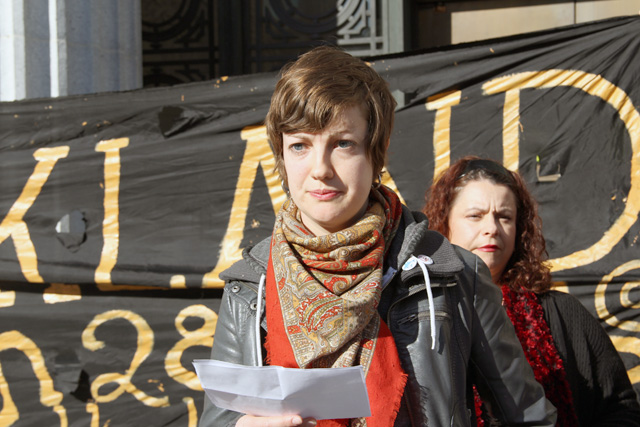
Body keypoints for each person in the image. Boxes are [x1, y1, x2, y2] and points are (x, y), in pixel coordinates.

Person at [198, 46, 557, 427]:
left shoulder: (455, 276)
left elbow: (529, 418)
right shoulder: (251, 286)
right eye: (300, 145)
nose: (320, 169)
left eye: (343, 144)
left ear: (377, 152)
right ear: (281, 157)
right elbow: (218, 420)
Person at [423, 155, 640, 426]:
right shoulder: (420, 315)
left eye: (504, 217)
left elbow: (620, 408)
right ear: (444, 226)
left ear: (519, 229)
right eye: (475, 216)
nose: (491, 228)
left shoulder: (561, 313)